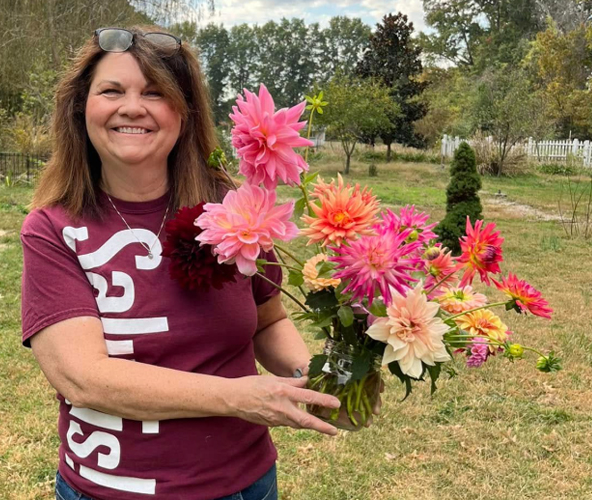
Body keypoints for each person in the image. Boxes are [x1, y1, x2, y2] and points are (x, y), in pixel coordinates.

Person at [20, 26, 371, 500]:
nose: (132, 107)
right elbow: (83, 378)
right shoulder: (53, 229)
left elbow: (268, 320)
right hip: (112, 489)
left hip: (243, 485)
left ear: (183, 113)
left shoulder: (234, 210)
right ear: (82, 108)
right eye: (112, 91)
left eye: (154, 92)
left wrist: (314, 383)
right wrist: (239, 396)